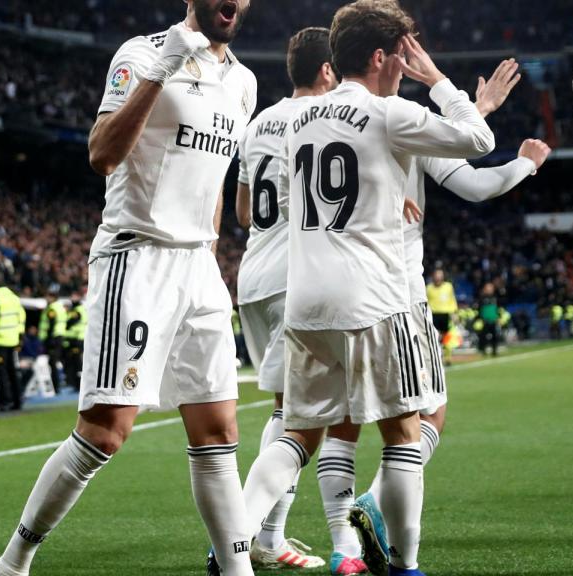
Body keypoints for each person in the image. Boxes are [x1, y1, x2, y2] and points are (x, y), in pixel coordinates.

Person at [0, 1, 258, 574]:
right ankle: (13, 562)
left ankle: (238, 570)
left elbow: (214, 178)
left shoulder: (243, 81)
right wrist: (161, 73)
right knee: (105, 433)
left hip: (199, 267)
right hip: (138, 258)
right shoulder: (142, 54)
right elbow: (102, 154)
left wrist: (208, 247)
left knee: (219, 432)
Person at [240, 3, 494, 575]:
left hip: (304, 301)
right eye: (404, 58)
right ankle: (405, 566)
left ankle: (232, 543)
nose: (408, 68)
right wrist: (438, 81)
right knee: (404, 434)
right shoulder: (389, 112)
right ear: (381, 57)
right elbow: (478, 139)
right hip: (373, 301)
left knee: (297, 432)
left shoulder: (300, 117)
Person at [334, 59, 550, 575]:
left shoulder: (322, 116)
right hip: (397, 293)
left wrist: (479, 108)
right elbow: (476, 181)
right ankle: (380, 518)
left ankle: (282, 539)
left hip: (326, 290)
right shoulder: (402, 117)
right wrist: (526, 162)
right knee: (424, 418)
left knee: (323, 426)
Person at [234, 26, 337, 571]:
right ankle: (249, 537)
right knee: (302, 420)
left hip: (253, 278)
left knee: (286, 412)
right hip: (298, 278)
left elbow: (243, 212)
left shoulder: (257, 125)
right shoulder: (324, 119)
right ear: (326, 71)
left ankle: (266, 536)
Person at [0, 284, 24, 413]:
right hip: (12, 339)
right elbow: (20, 319)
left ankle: (5, 401)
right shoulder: (14, 298)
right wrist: (19, 337)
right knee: (12, 371)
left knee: (1, 373)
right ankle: (18, 400)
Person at [425, 268, 456, 363]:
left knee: (447, 336)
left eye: (440, 275)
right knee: (434, 336)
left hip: (446, 314)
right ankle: (436, 356)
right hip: (433, 314)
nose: (438, 277)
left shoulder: (448, 287)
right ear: (433, 276)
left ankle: (448, 357)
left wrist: (454, 313)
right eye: (436, 275)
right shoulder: (429, 288)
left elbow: (452, 300)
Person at [38, 294, 68, 393]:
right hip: (59, 337)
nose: (46, 298)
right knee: (58, 361)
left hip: (53, 338)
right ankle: (60, 384)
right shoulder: (60, 307)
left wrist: (48, 339)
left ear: (53, 298)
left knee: (53, 362)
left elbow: (51, 325)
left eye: (48, 297)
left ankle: (56, 387)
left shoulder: (52, 309)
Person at [63, 293, 86, 391]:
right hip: (74, 339)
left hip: (77, 340)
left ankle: (79, 385)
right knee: (75, 363)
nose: (72, 298)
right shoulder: (77, 309)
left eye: (74, 296)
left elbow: (70, 322)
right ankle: (76, 384)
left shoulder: (77, 310)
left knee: (77, 363)